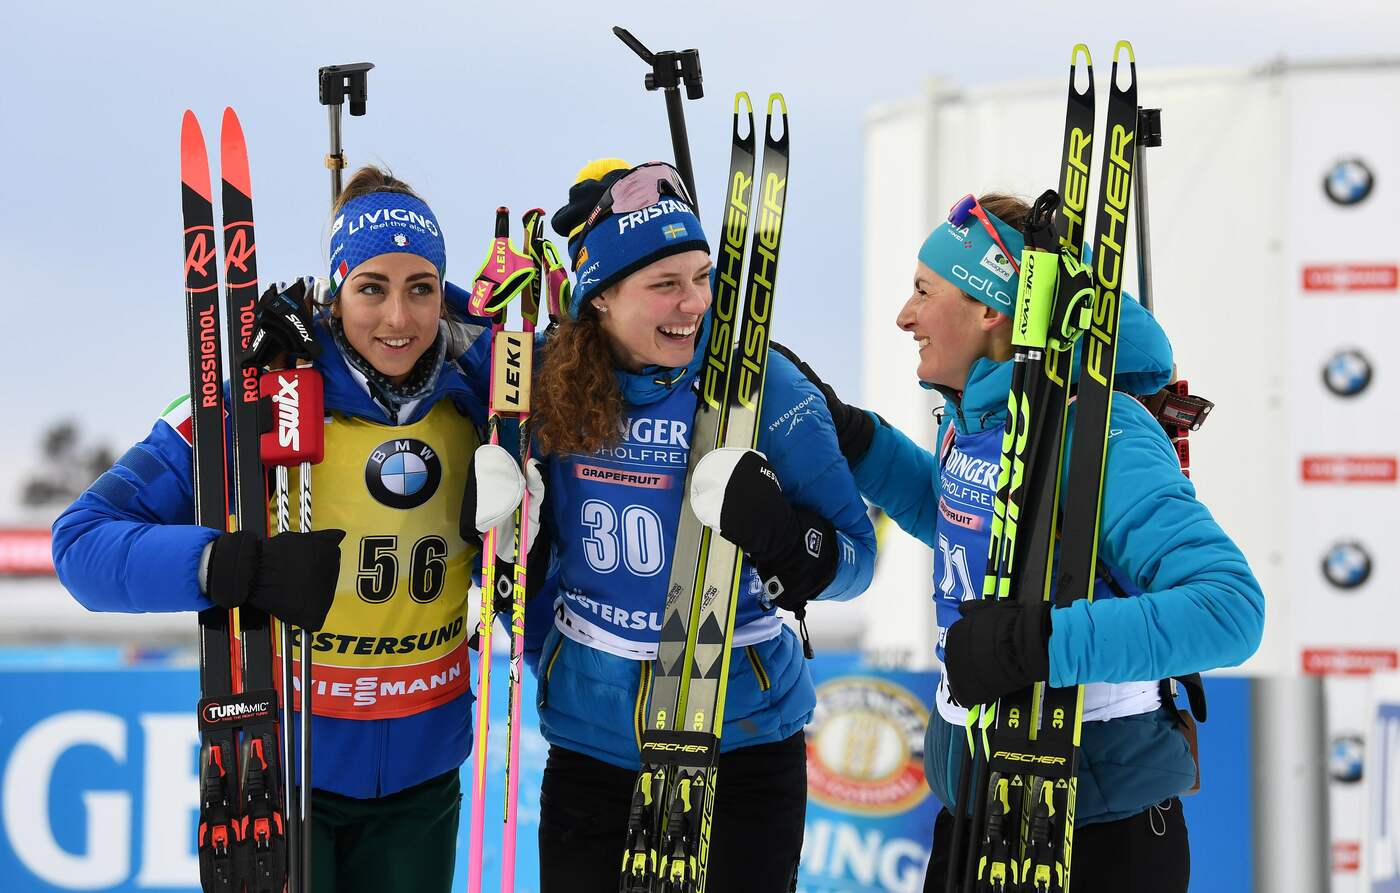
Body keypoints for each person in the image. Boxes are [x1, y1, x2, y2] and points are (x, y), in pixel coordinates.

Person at [52, 166, 526, 893]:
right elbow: (82, 543)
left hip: (425, 779)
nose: (398, 318)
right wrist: (230, 566)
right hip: (286, 773)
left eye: (420, 288)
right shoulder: (256, 395)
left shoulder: (485, 398)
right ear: (336, 290)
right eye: (371, 288)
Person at [785, 193, 1265, 892]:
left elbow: (1229, 608)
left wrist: (1035, 643)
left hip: (1093, 829)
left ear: (989, 310)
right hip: (974, 809)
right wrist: (858, 438)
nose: (904, 316)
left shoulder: (1099, 429)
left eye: (924, 292)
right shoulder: (978, 417)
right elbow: (968, 521)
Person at [508, 159, 877, 892]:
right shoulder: (543, 375)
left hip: (742, 738)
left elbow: (857, 557)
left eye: (702, 276)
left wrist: (778, 534)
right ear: (602, 296)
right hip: (592, 742)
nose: (694, 303)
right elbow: (436, 347)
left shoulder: (762, 385)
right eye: (665, 284)